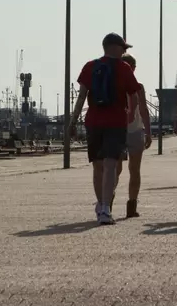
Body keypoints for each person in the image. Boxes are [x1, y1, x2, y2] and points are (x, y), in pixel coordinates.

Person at [70, 32, 141, 225]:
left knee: (98, 166)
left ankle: (102, 204)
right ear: (114, 47)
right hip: (116, 122)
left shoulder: (90, 66)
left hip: (93, 121)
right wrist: (131, 113)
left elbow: (81, 96)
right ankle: (105, 210)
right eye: (123, 48)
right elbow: (134, 95)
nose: (124, 51)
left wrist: (73, 120)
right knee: (110, 165)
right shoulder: (124, 68)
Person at [113, 53, 153, 217]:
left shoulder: (113, 84)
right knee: (134, 170)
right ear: (134, 68)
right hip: (135, 131)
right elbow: (143, 110)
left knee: (115, 169)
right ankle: (132, 205)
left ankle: (107, 202)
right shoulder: (139, 87)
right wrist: (148, 132)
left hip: (117, 131)